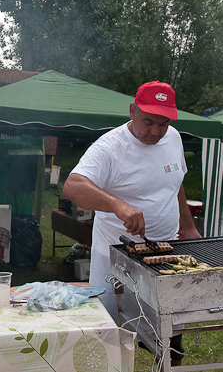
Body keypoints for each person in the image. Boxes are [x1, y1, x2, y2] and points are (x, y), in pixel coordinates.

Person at [62, 81, 201, 367]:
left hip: (165, 253)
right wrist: (117, 205)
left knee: (169, 339)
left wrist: (188, 228)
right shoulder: (110, 147)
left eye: (163, 124)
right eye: (148, 122)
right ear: (132, 111)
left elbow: (175, 183)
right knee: (111, 336)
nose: (156, 132)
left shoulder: (173, 138)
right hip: (117, 256)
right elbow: (73, 186)